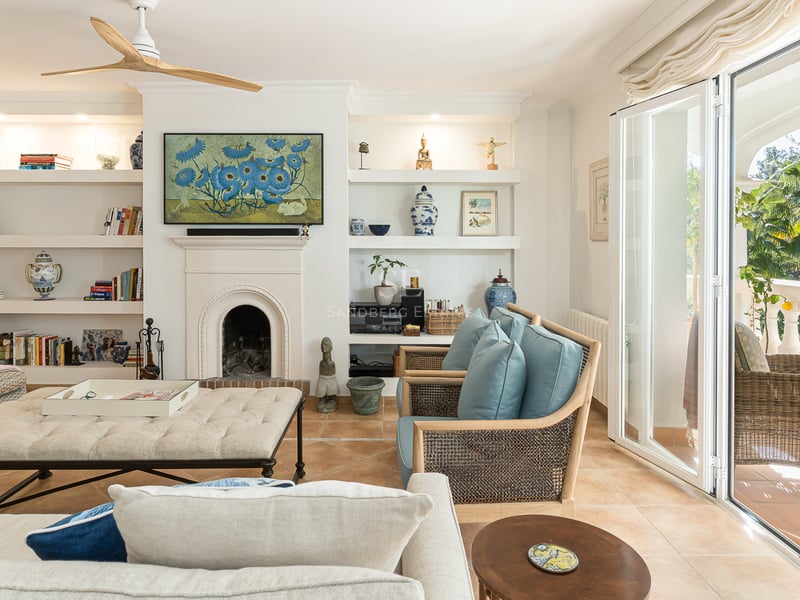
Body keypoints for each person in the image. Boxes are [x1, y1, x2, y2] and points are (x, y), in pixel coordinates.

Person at [315, 337, 340, 412]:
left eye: (326, 345)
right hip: (322, 378)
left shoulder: (332, 363)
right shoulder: (321, 363)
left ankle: (332, 399)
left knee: (331, 387)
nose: (323, 347)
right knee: (321, 388)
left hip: (331, 379)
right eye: (322, 345)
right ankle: (323, 399)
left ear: (330, 347)